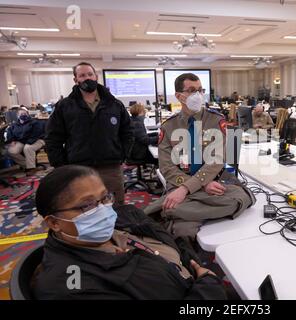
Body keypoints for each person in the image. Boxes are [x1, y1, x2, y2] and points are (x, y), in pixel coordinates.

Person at [33, 165, 226, 300]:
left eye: (104, 197)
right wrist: (208, 287)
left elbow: (168, 241)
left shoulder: (123, 220)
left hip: (192, 278)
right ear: (54, 222)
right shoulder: (74, 288)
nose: (103, 209)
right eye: (88, 205)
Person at [144, 73, 254, 238]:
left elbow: (217, 161)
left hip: (214, 180)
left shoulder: (215, 120)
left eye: (200, 90)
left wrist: (189, 189)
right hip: (179, 180)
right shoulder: (169, 127)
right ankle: (180, 209)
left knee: (244, 197)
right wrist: (195, 186)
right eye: (192, 90)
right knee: (183, 232)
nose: (198, 95)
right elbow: (166, 167)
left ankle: (171, 210)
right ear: (179, 96)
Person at [45, 62, 133, 204]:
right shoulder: (65, 106)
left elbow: (127, 132)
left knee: (115, 207)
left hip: (110, 167)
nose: (87, 78)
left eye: (90, 74)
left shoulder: (114, 104)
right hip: (78, 168)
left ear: (96, 76)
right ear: (76, 80)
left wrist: (123, 154)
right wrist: (61, 165)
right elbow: (52, 137)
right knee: (84, 208)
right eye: (82, 75)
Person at [5, 107, 45, 175]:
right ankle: (27, 165)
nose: (23, 115)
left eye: (25, 113)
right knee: (11, 151)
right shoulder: (14, 125)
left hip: (37, 139)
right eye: (21, 114)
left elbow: (37, 133)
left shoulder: (34, 122)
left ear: (28, 114)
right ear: (17, 115)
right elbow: (10, 132)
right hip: (22, 141)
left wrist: (28, 142)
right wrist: (12, 140)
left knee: (27, 148)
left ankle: (31, 169)